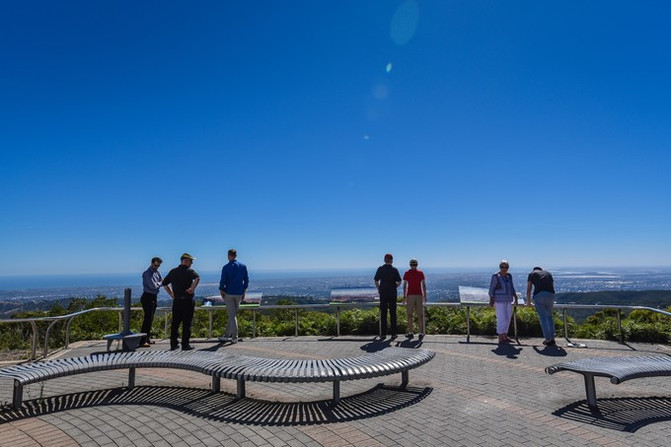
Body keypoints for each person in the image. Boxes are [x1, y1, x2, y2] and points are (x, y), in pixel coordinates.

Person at [162, 253, 200, 351]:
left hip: (177, 301)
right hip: (187, 301)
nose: (191, 263)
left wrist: (171, 294)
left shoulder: (173, 272)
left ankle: (173, 344)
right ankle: (185, 345)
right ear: (185, 261)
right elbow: (197, 278)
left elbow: (165, 284)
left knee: (175, 323)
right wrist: (192, 288)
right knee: (187, 324)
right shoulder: (189, 271)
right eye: (190, 261)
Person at [218, 249, 249, 344]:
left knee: (232, 316)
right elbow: (246, 280)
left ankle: (234, 337)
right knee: (232, 315)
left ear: (229, 255)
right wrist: (244, 291)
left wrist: (221, 290)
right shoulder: (243, 266)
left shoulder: (226, 267)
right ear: (236, 255)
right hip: (239, 293)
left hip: (229, 294)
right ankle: (226, 336)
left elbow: (223, 280)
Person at [488, 260, 518, 344]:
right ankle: (500, 338)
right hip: (499, 300)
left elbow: (512, 287)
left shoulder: (509, 276)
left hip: (508, 300)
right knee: (502, 318)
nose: (504, 269)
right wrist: (491, 299)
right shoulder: (496, 276)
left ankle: (505, 336)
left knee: (508, 318)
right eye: (502, 267)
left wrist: (515, 296)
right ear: (499, 267)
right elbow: (492, 288)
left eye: (506, 267)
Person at [526, 266, 557, 346]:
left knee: (543, 317)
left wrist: (528, 302)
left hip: (539, 295)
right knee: (549, 316)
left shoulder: (532, 274)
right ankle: (552, 338)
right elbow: (552, 286)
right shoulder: (548, 273)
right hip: (551, 295)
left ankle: (547, 339)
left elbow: (529, 289)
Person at [374, 253, 402, 339]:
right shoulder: (394, 270)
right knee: (393, 314)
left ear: (384, 260)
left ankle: (383, 334)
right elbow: (399, 281)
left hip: (383, 294)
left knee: (383, 314)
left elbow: (376, 280)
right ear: (392, 261)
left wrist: (379, 289)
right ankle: (393, 333)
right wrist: (394, 286)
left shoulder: (380, 269)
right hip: (392, 294)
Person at [140, 257, 162, 347]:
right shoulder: (147, 273)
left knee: (150, 319)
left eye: (158, 266)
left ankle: (147, 338)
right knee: (147, 320)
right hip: (147, 297)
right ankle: (142, 340)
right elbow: (153, 286)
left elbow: (162, 281)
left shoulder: (156, 272)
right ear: (152, 263)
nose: (156, 267)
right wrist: (159, 283)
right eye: (155, 265)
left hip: (153, 297)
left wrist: (159, 283)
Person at [403, 258, 427, 340]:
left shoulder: (407, 273)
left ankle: (411, 332)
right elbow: (423, 285)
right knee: (419, 315)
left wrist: (404, 297)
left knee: (410, 315)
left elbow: (404, 286)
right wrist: (425, 296)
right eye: (413, 264)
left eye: (414, 264)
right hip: (418, 295)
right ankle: (420, 333)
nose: (413, 266)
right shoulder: (420, 273)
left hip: (410, 295)